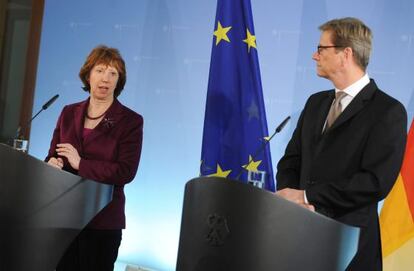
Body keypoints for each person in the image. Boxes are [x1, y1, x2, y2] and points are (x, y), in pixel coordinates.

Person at [275, 17, 407, 270]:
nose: (315, 56)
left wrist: (307, 196)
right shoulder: (316, 102)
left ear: (345, 54)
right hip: (299, 238)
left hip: (350, 247)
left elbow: (374, 182)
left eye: (321, 48)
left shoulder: (387, 111)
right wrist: (292, 200)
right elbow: (291, 160)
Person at [46, 45, 143, 271]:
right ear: (88, 75)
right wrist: (52, 164)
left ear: (119, 81)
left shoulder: (130, 121)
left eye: (113, 73)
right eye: (100, 70)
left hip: (102, 223)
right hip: (64, 219)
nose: (105, 78)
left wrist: (81, 164)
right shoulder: (68, 112)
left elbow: (125, 172)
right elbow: (53, 154)